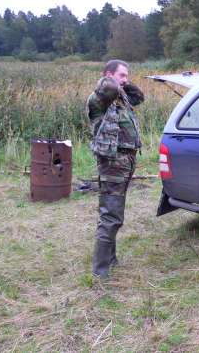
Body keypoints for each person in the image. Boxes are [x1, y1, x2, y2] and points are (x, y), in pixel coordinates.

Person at [86, 59, 144, 278]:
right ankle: (100, 272)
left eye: (127, 75)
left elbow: (139, 97)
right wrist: (114, 82)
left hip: (125, 161)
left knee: (113, 212)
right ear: (108, 75)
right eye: (122, 75)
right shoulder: (99, 98)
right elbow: (107, 88)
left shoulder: (121, 98)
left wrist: (124, 83)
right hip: (113, 163)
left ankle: (110, 259)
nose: (125, 80)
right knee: (111, 216)